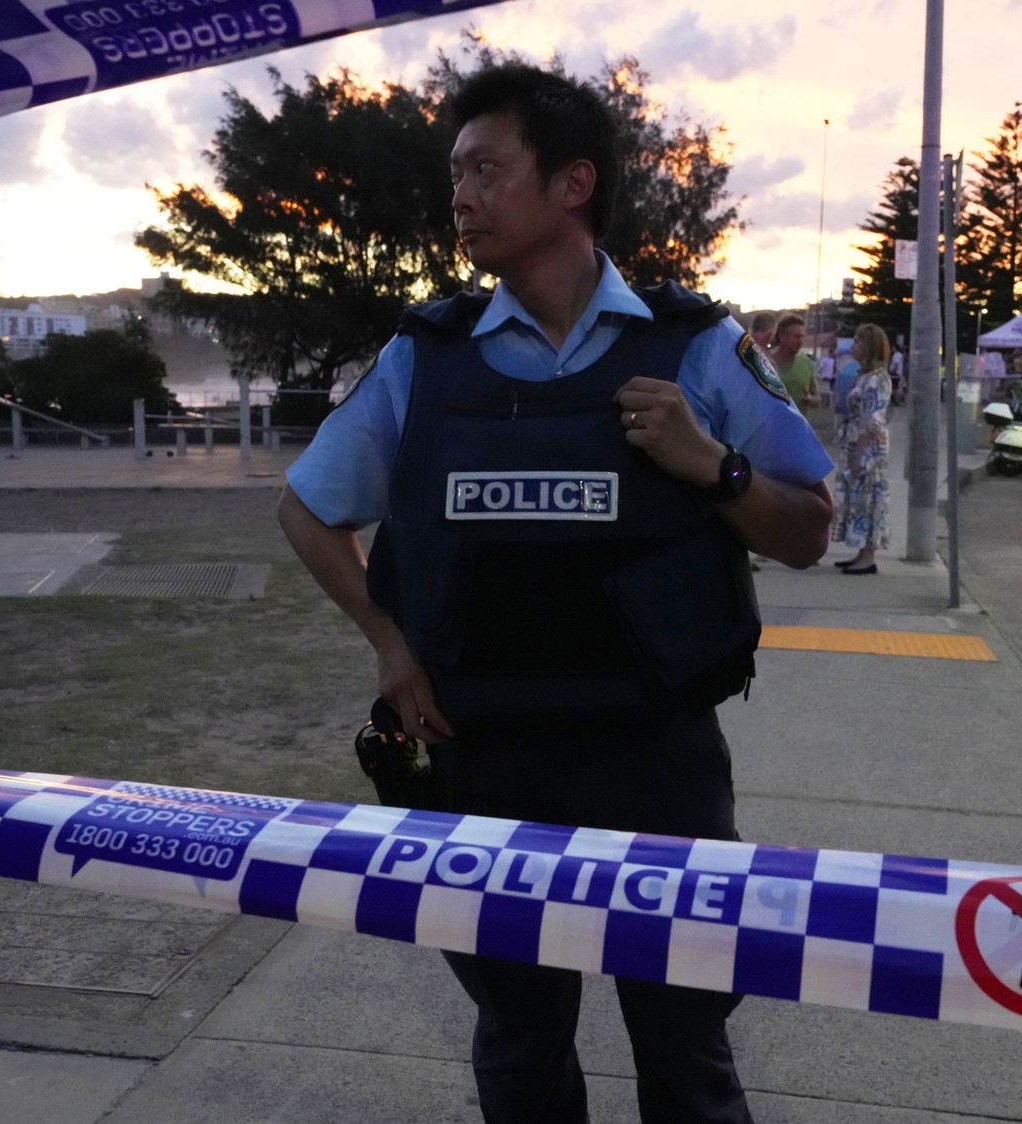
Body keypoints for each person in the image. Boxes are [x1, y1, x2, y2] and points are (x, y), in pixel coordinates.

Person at [274, 64, 834, 1124]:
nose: (462, 195)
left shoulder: (692, 345)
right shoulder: (423, 359)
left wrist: (707, 460)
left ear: (572, 183)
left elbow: (809, 528)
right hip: (484, 754)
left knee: (684, 1047)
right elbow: (307, 508)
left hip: (654, 759)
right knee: (520, 1049)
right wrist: (388, 645)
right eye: (455, 175)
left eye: (487, 168)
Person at [831, 323, 893, 575]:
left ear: (869, 346)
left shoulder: (878, 379)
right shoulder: (864, 375)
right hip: (856, 440)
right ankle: (861, 550)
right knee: (857, 499)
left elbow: (872, 420)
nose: (853, 346)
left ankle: (868, 555)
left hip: (868, 446)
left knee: (867, 498)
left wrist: (860, 454)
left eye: (858, 341)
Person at [767, 313, 820, 415]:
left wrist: (812, 400)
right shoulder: (766, 363)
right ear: (782, 336)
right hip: (771, 427)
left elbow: (817, 396)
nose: (800, 341)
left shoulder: (805, 362)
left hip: (798, 428)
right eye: (797, 336)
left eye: (802, 337)